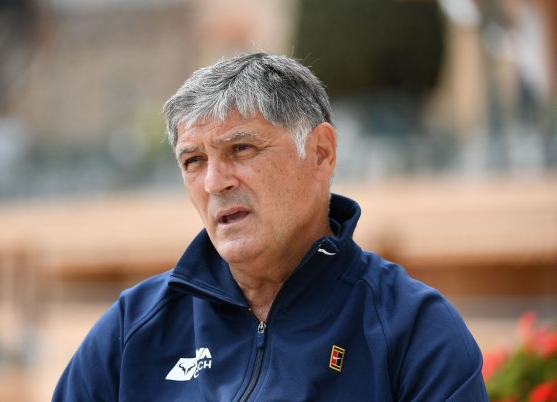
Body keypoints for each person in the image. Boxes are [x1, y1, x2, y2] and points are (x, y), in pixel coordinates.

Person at [53, 52, 488, 401]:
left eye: (241, 149)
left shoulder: (413, 328)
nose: (214, 182)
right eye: (194, 160)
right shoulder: (133, 327)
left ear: (321, 153)